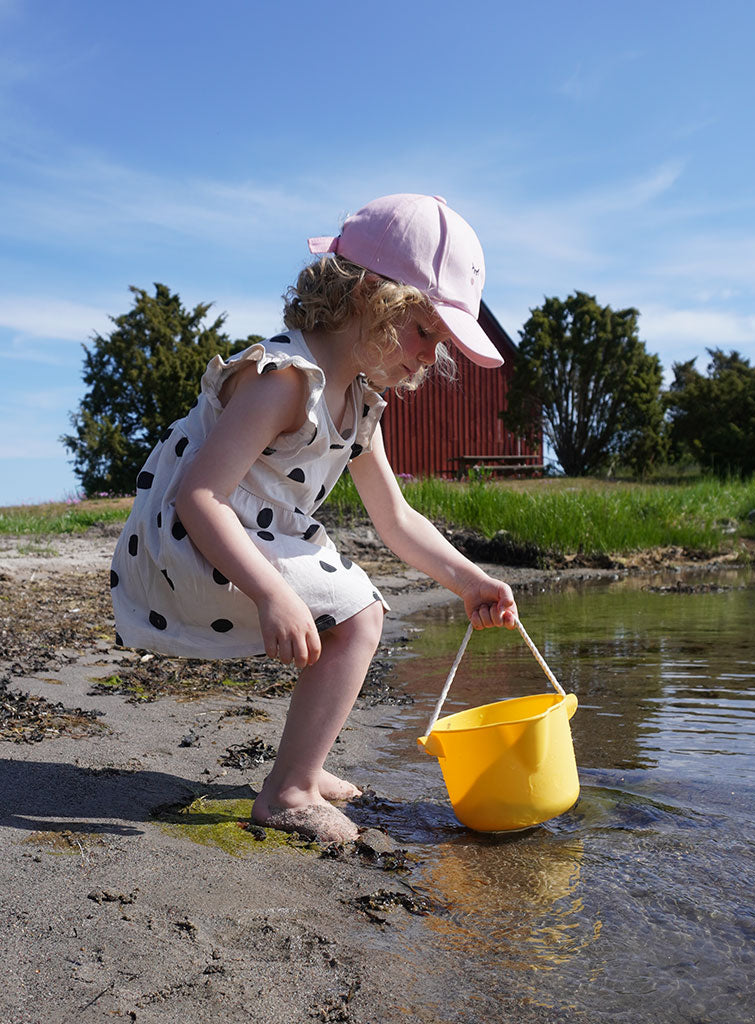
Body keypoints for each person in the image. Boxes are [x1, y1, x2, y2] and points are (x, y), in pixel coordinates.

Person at [111, 193, 517, 843]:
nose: (427, 357)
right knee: (359, 613)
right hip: (187, 542)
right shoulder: (285, 380)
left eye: (439, 343)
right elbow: (199, 497)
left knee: (354, 610)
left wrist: (470, 581)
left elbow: (396, 517)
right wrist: (273, 593)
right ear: (369, 298)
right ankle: (288, 791)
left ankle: (305, 765)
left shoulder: (358, 403)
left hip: (244, 536)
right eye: (423, 331)